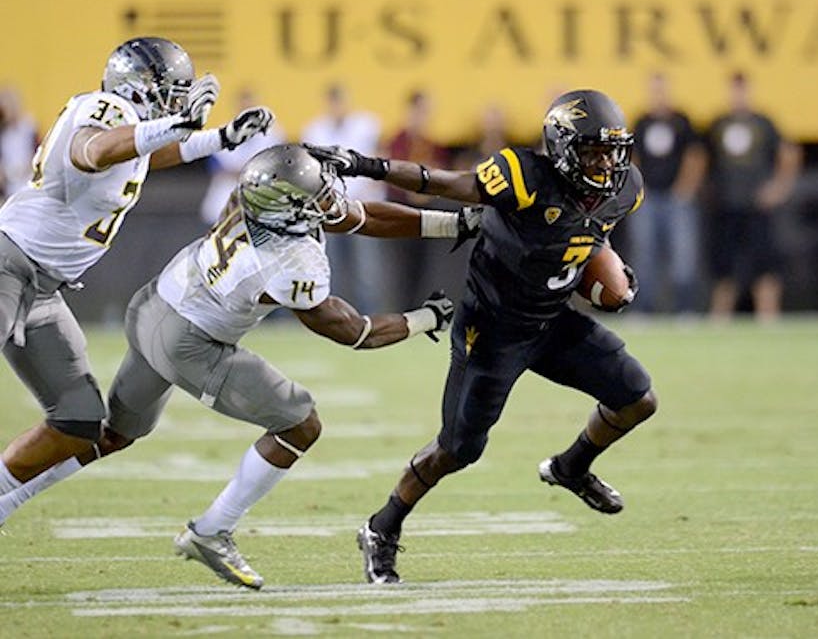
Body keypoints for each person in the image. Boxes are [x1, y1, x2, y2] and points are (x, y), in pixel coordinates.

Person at [0, 143, 481, 589]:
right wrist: (426, 318)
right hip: (190, 342)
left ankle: (7, 502)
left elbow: (353, 215)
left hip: (152, 303)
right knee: (300, 423)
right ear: (291, 211)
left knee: (110, 434)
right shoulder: (292, 260)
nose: (331, 200)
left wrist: (450, 225)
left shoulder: (252, 198)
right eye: (317, 197)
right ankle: (213, 529)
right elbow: (356, 332)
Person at [316, 88, 658, 584]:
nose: (606, 164)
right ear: (563, 148)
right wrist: (369, 166)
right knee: (458, 449)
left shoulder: (626, 189)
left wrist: (607, 275)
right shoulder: (524, 175)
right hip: (492, 329)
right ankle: (381, 527)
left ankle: (570, 467)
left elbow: (590, 231)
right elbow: (447, 182)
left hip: (551, 321)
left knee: (637, 397)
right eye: (593, 151)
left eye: (612, 151)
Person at [0, 36, 273, 504]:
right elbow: (93, 150)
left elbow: (144, 155)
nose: (178, 101)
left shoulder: (135, 131)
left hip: (44, 288)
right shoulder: (106, 108)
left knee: (78, 419)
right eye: (171, 91)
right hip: (10, 262)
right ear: (140, 87)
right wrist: (176, 124)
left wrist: (219, 138)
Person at [703, 71, 801, 322]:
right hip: (727, 206)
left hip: (758, 207)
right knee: (724, 266)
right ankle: (719, 319)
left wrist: (779, 188)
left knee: (764, 264)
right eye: (734, 91)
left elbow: (789, 153)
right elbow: (702, 158)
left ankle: (768, 316)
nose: (738, 96)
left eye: (742, 90)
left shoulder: (763, 123)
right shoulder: (719, 123)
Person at [301, 84, 385, 313]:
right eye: (333, 101)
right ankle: (332, 316)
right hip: (329, 207)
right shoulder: (315, 130)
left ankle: (371, 314)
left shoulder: (367, 125)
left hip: (362, 205)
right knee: (328, 265)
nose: (337, 106)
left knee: (367, 270)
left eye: (340, 100)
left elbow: (379, 159)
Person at [629, 73, 706, 315]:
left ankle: (685, 308)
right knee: (643, 254)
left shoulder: (681, 121)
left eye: (661, 90)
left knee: (683, 256)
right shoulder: (641, 122)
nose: (658, 96)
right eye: (654, 91)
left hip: (677, 198)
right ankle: (644, 309)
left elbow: (695, 155)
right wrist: (639, 188)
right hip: (649, 197)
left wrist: (685, 188)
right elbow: (632, 157)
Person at [382, 90, 452, 309]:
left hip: (426, 209)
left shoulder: (431, 144)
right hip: (401, 207)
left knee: (423, 265)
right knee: (401, 265)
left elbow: (442, 173)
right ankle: (400, 308)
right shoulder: (398, 141)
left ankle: (417, 308)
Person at [198, 87, 287, 225]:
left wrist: (241, 171)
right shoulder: (223, 132)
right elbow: (216, 169)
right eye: (244, 108)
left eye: (250, 108)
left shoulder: (274, 134)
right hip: (226, 198)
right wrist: (250, 171)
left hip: (262, 200)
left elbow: (278, 170)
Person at [0, 86, 39, 197]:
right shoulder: (3, 132)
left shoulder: (31, 129)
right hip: (8, 192)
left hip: (29, 187)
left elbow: (41, 156)